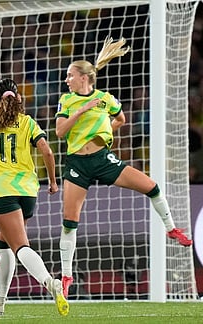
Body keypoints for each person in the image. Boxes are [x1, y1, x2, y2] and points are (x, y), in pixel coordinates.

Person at [55, 36, 193, 298]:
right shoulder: (67, 100)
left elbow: (120, 118)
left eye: (70, 75)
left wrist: (106, 128)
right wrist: (83, 109)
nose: (67, 79)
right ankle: (66, 276)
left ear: (83, 77)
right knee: (70, 223)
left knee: (152, 186)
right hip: (77, 164)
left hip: (102, 159)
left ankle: (172, 228)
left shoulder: (106, 98)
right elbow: (60, 131)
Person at [0, 78, 68, 317]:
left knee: (20, 245)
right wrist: (52, 182)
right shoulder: (27, 122)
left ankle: (50, 283)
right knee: (5, 242)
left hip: (2, 191)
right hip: (28, 192)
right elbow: (47, 151)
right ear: (18, 98)